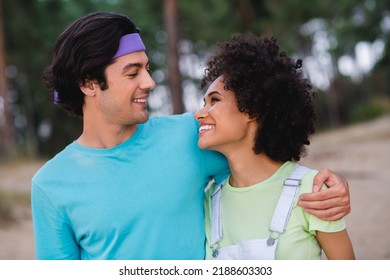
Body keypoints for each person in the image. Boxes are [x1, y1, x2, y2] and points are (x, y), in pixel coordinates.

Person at [31, 11, 351, 260]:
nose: (149, 82)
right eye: (132, 72)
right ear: (88, 84)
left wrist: (330, 185)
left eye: (146, 68)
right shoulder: (50, 186)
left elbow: (269, 171)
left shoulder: (191, 134)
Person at [195, 33, 355, 260]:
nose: (199, 114)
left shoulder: (313, 190)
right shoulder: (209, 201)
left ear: (252, 109)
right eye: (204, 103)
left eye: (214, 100)